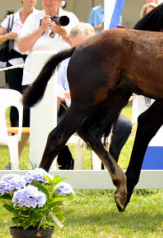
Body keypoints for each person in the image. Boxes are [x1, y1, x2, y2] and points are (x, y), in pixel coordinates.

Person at [15, 0, 79, 165]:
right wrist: (41, 29)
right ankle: (58, 160)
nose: (48, 2)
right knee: (38, 122)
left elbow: (81, 46)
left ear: (61, 1)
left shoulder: (70, 17)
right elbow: (21, 46)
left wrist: (63, 32)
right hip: (36, 80)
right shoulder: (33, 18)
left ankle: (61, 159)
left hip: (64, 82)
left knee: (59, 121)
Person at [56, 23, 132, 169]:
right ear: (71, 42)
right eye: (76, 46)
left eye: (85, 45)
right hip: (71, 111)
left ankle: (109, 164)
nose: (80, 50)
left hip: (98, 112)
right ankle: (66, 162)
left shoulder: (106, 63)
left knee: (124, 125)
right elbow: (58, 90)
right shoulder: (65, 63)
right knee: (52, 125)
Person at [0, 0, 39, 167]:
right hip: (14, 63)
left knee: (29, 97)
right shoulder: (11, 18)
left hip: (33, 63)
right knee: (15, 97)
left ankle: (29, 129)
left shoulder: (39, 17)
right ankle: (15, 131)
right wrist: (8, 36)